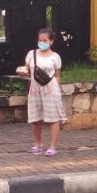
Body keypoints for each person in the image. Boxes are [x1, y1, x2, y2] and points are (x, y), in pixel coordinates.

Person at [24, 28, 67, 156]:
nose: (41, 43)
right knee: (36, 118)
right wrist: (23, 71)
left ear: (51, 41)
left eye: (45, 40)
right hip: (35, 89)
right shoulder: (31, 54)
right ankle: (37, 144)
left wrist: (57, 91)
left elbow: (57, 75)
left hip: (50, 89)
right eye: (39, 40)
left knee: (53, 118)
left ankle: (53, 147)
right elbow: (27, 69)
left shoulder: (55, 57)